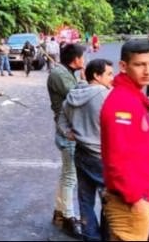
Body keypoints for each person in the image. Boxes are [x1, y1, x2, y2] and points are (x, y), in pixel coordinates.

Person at [100, 39, 149, 241]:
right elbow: (118, 158)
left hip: (140, 197)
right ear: (123, 66)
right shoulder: (122, 103)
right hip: (129, 202)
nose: (147, 71)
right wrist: (136, 198)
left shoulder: (134, 98)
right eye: (139, 64)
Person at [57, 59, 114, 241]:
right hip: (101, 156)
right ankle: (106, 236)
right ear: (97, 76)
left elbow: (61, 121)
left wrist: (70, 133)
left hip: (81, 153)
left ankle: (91, 236)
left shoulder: (73, 95)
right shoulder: (105, 95)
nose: (112, 78)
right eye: (109, 74)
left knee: (85, 199)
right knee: (110, 201)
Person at [47, 43, 86, 238]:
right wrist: (87, 81)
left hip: (69, 127)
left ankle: (59, 212)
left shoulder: (67, 73)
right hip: (67, 130)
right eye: (82, 57)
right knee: (71, 176)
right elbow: (78, 96)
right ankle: (69, 217)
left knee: (67, 174)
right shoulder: (59, 74)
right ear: (75, 58)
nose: (84, 60)